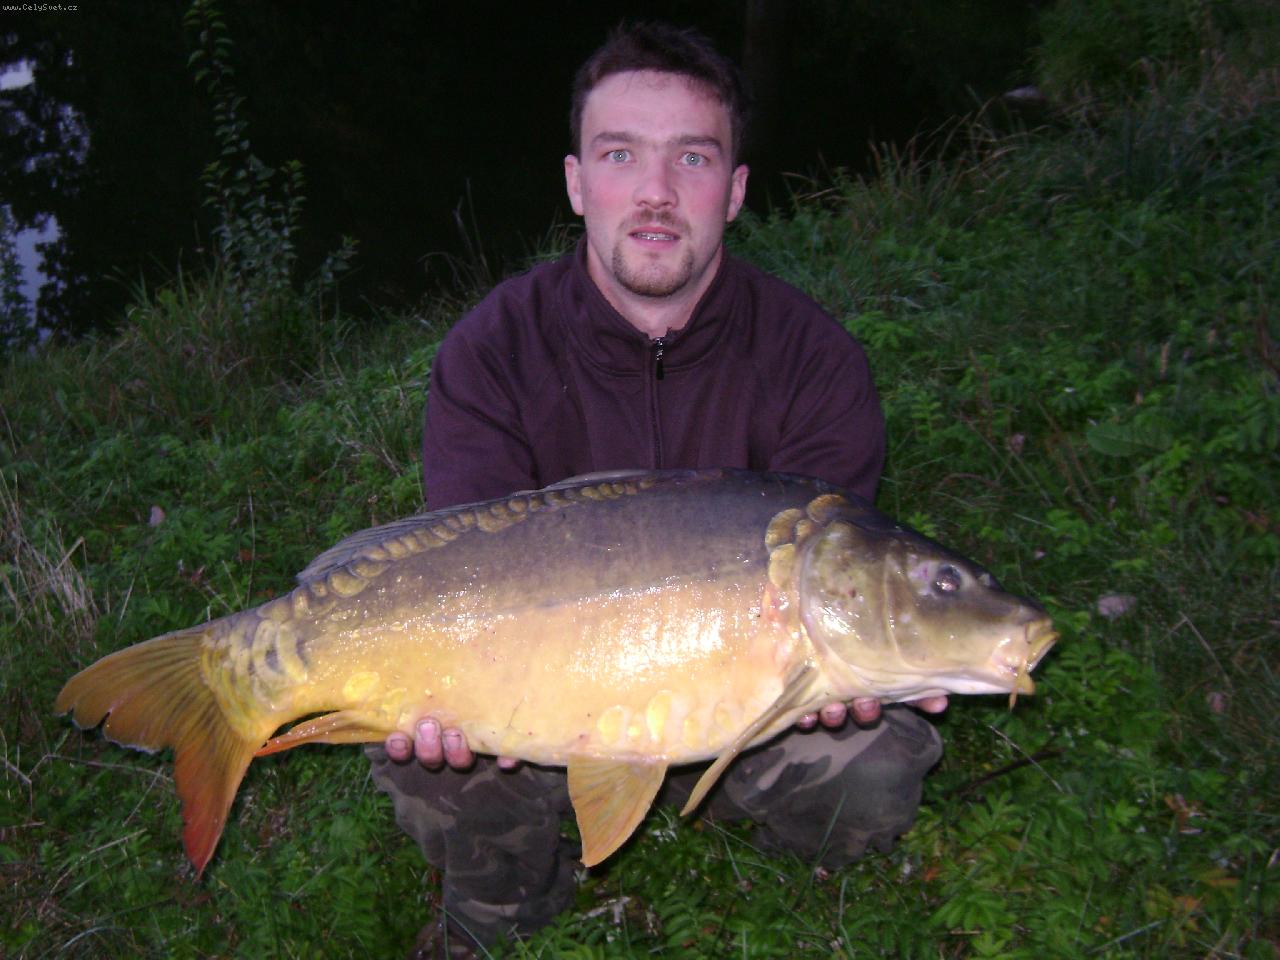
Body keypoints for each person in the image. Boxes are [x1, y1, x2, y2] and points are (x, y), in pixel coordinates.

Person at [366, 22, 946, 959]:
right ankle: (509, 901)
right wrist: (451, 700)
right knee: (439, 769)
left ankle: (709, 802)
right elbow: (463, 569)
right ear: (575, 183)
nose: (656, 192)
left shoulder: (815, 361)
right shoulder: (492, 352)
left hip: (747, 710)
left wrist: (844, 676)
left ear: (737, 190)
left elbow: (837, 586)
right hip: (538, 707)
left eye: (693, 157)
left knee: (873, 768)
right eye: (620, 154)